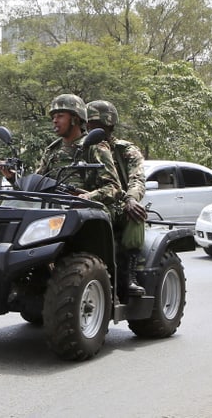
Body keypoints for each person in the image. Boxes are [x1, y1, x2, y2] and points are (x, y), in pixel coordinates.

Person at [0, 93, 122, 208]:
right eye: (53, 117)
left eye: (60, 116)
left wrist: (88, 197)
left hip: (89, 211)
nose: (55, 120)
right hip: (55, 210)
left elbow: (114, 187)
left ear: (75, 119)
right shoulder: (52, 150)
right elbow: (36, 186)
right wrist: (12, 178)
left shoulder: (95, 146)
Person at [87, 100, 146, 296]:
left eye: (95, 125)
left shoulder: (125, 150)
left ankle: (129, 274)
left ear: (109, 126)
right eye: (87, 124)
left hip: (117, 203)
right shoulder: (80, 147)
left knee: (135, 214)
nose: (90, 129)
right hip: (85, 202)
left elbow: (137, 178)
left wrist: (131, 199)